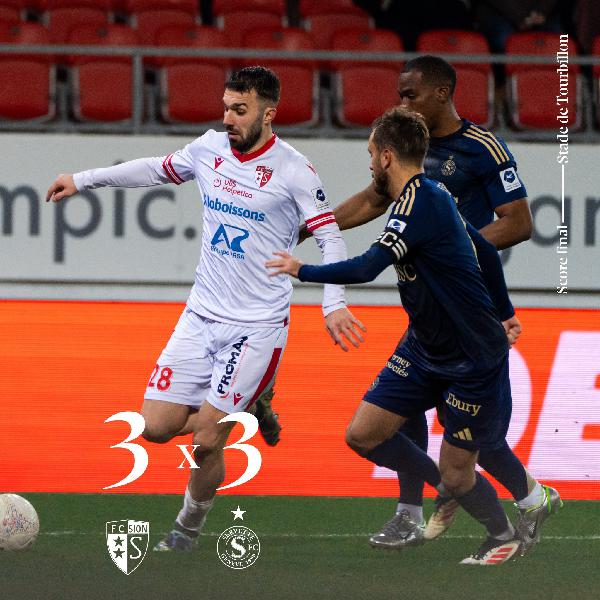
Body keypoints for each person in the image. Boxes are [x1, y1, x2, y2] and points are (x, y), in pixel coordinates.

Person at [46, 66, 366, 552]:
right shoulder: (209, 148)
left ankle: (187, 528)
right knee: (155, 428)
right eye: (226, 108)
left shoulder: (294, 170)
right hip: (200, 316)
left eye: (240, 110)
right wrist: (82, 180)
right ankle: (248, 404)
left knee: (206, 441)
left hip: (256, 328)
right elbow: (154, 168)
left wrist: (333, 301)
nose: (228, 118)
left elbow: (331, 239)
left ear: (268, 114)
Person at [302, 55, 561, 554]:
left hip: (467, 308)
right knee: (404, 411)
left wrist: (449, 253)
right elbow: (371, 200)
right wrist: (310, 228)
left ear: (442, 93)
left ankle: (528, 498)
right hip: (429, 308)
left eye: (411, 94)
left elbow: (519, 222)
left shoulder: (482, 148)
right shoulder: (406, 148)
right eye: (400, 94)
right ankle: (411, 511)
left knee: (476, 440)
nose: (402, 103)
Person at [268, 106, 530, 565]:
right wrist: (506, 311)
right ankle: (441, 486)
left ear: (387, 156)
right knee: (363, 434)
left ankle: (501, 534)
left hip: (470, 356)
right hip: (425, 348)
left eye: (372, 153)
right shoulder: (433, 194)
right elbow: (485, 251)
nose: (370, 163)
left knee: (460, 473)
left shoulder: (418, 204)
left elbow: (367, 267)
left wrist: (300, 269)